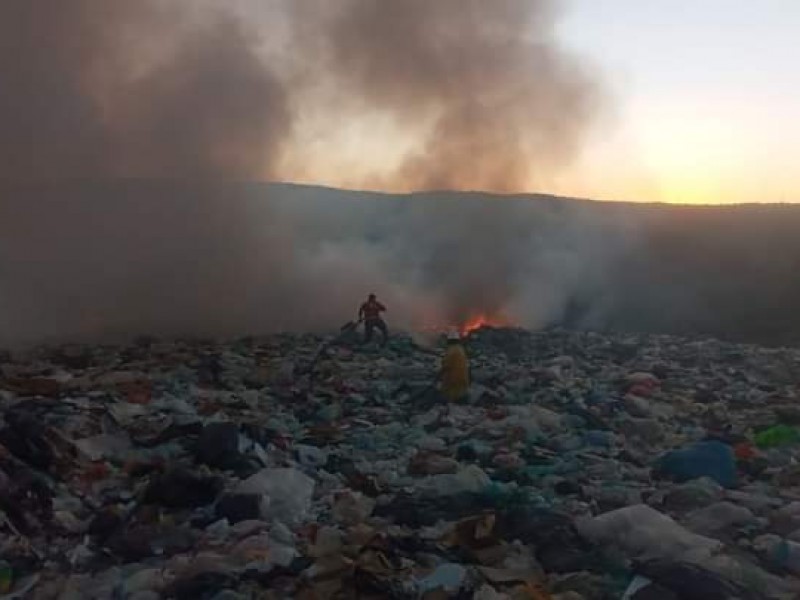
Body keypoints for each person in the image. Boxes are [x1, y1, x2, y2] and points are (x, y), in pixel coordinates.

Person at [439, 330, 469, 402]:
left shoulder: (451, 350)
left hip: (453, 380)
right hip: (463, 379)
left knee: (449, 393)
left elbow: (446, 365)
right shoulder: (460, 349)